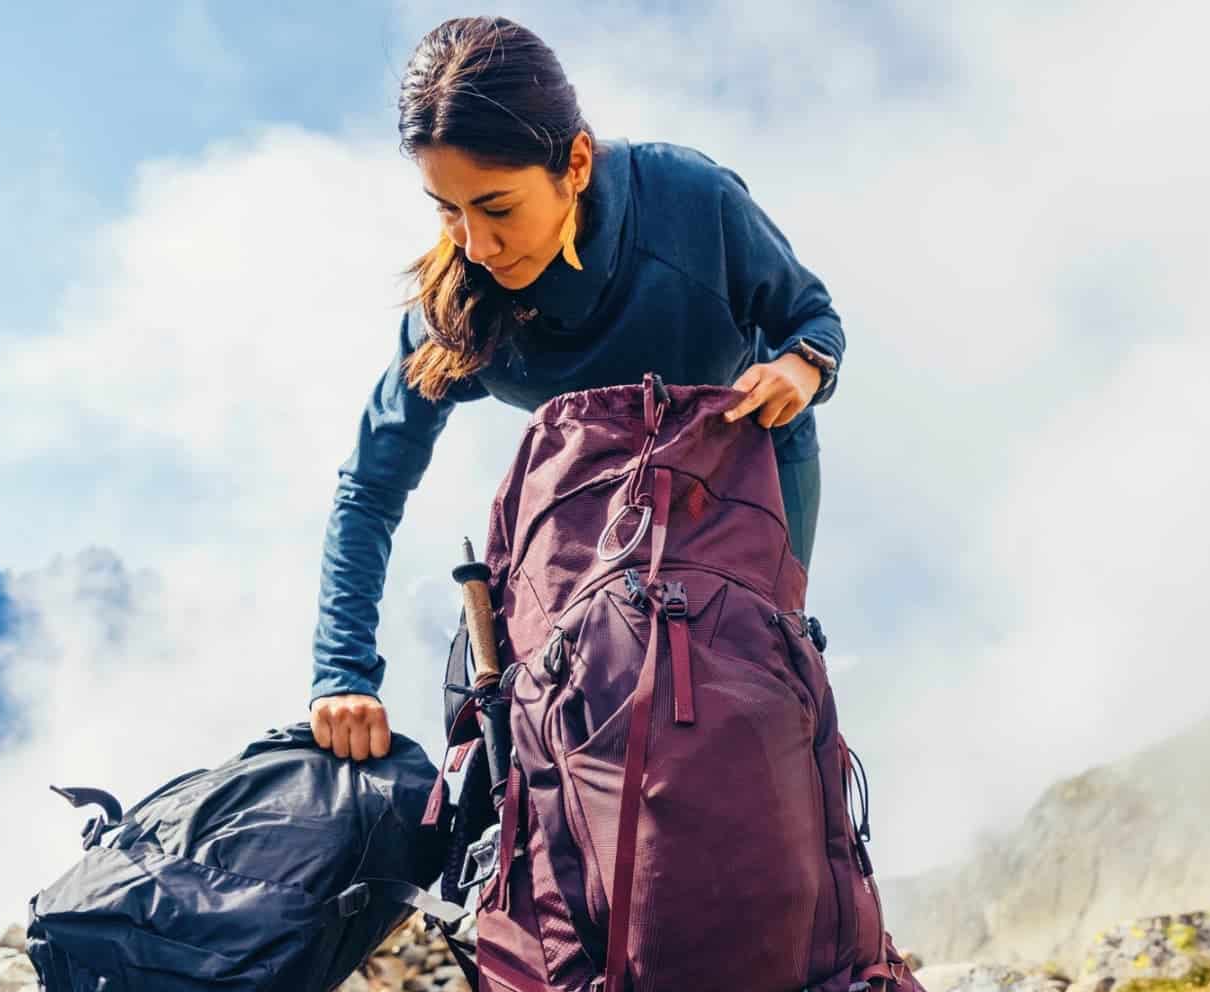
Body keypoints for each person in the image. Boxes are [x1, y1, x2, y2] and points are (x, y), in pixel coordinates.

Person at [308, 17, 844, 762]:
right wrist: (342, 675)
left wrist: (799, 369)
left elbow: (811, 320)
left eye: (496, 207)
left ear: (578, 162)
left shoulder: (694, 203)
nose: (475, 244)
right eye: (446, 208)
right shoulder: (457, 306)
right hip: (600, 498)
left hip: (746, 479)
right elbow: (368, 488)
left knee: (741, 710)